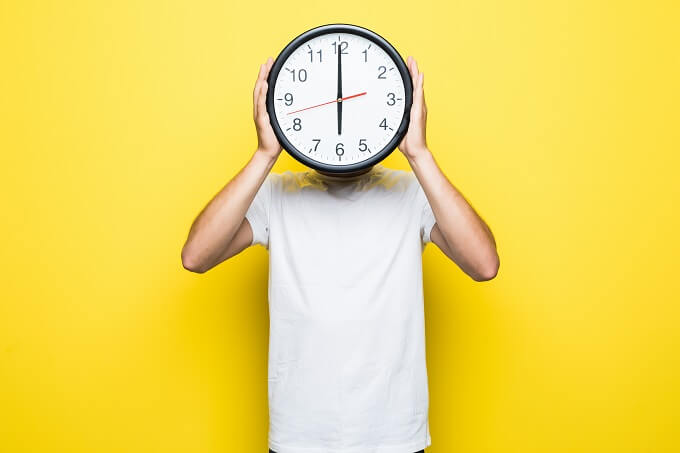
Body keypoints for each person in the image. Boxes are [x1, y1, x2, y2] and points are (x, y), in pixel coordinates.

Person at [181, 55, 499, 453]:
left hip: (394, 438)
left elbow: (484, 264)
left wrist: (420, 154)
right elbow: (197, 255)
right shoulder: (278, 195)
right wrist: (264, 154)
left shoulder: (412, 193)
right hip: (299, 438)